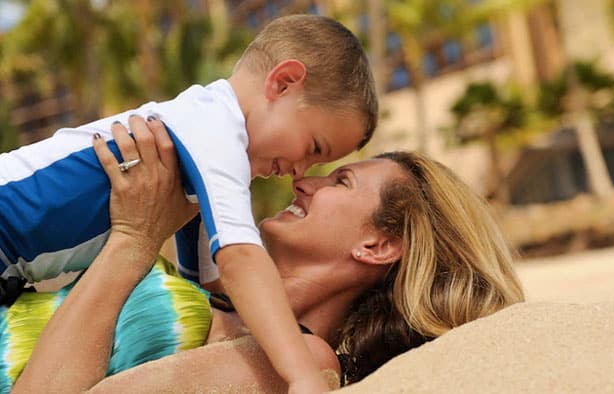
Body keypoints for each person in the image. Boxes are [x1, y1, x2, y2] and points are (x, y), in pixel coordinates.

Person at [0, 15, 377, 392]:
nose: (300, 173)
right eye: (314, 148)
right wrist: (303, 374)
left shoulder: (199, 151)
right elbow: (240, 260)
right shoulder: (214, 128)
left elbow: (208, 284)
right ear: (283, 82)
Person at [11, 117, 524, 392]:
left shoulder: (304, 361)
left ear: (379, 245)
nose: (304, 181)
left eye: (340, 180)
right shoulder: (221, 296)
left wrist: (134, 241)